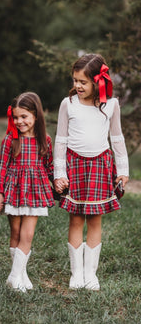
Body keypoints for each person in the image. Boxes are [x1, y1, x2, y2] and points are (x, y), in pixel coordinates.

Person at [54, 53, 129, 291]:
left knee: (95, 220)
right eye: (75, 80)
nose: (77, 86)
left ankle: (90, 274)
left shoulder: (111, 105)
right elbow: (60, 140)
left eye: (83, 82)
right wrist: (59, 173)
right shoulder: (68, 104)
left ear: (98, 82)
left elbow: (116, 138)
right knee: (76, 219)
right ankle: (76, 273)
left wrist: (123, 169)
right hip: (74, 165)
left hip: (100, 165)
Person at [0, 92, 54, 292]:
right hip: (15, 190)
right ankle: (20, 274)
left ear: (35, 115)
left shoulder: (44, 140)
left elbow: (49, 167)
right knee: (16, 232)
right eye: (16, 117)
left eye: (24, 117)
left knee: (27, 235)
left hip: (35, 191)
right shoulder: (11, 139)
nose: (19, 121)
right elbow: (2, 166)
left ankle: (14, 276)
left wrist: (58, 182)